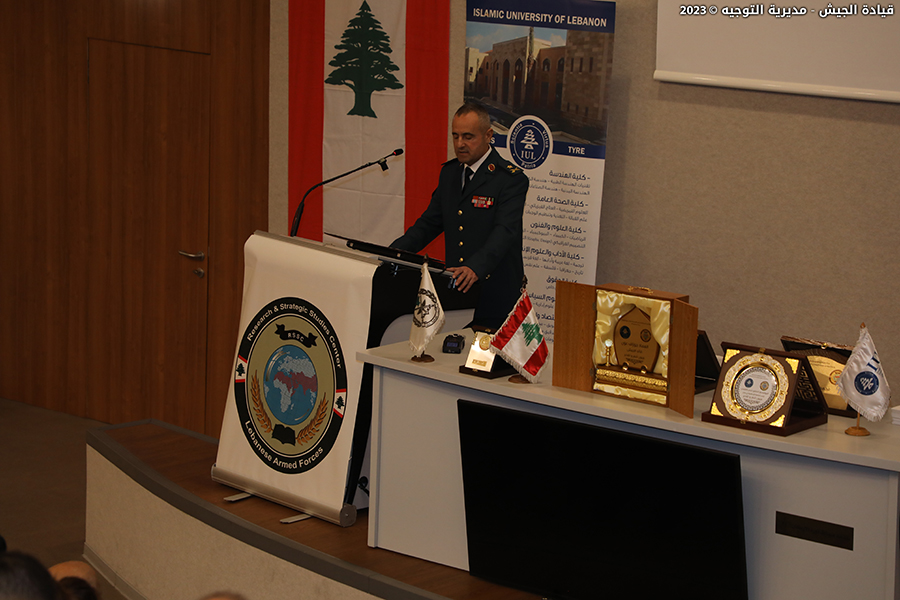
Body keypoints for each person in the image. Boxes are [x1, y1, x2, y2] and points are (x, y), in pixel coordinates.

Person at [391, 102, 529, 330]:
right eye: (455, 136)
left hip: (495, 293)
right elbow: (428, 224)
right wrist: (393, 253)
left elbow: (505, 232)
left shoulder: (510, 179)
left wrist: (475, 267)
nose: (460, 144)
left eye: (468, 137)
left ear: (488, 136)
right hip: (457, 293)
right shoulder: (450, 173)